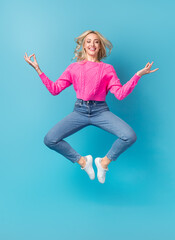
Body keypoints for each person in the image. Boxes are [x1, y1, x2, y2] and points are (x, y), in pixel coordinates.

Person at [24, 30, 158, 184]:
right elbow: (55, 89)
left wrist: (138, 75)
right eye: (88, 41)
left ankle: (103, 163)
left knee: (129, 136)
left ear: (100, 46)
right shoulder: (74, 68)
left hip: (100, 111)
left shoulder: (107, 69)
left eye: (96, 41)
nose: (92, 44)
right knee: (50, 139)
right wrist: (38, 70)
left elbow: (120, 94)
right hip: (79, 111)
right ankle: (83, 162)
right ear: (83, 45)